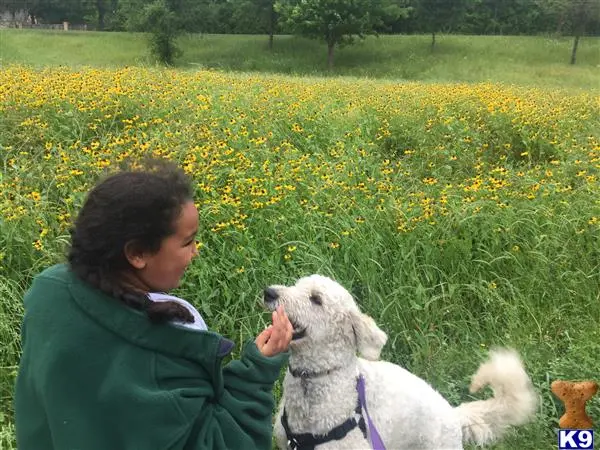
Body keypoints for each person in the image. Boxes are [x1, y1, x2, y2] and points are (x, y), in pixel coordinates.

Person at [14, 160, 293, 450]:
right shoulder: (163, 351)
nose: (195, 252)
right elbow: (219, 442)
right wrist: (255, 372)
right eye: (187, 242)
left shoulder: (50, 291)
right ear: (137, 253)